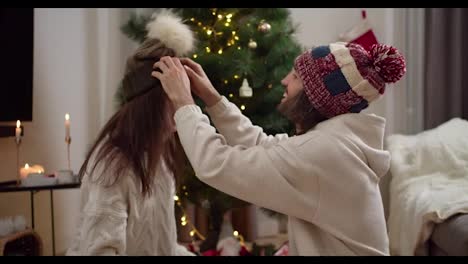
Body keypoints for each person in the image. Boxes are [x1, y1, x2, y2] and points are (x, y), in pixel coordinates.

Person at [151, 42, 406, 256]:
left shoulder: (322, 151)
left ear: (315, 95)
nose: (284, 80)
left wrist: (184, 103)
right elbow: (263, 145)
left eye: (295, 76)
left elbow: (217, 165)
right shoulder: (336, 140)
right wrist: (213, 99)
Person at [66, 10, 195, 256]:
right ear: (153, 105)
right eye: (175, 97)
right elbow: (101, 251)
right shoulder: (112, 168)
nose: (185, 105)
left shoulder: (160, 161)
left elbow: (163, 247)